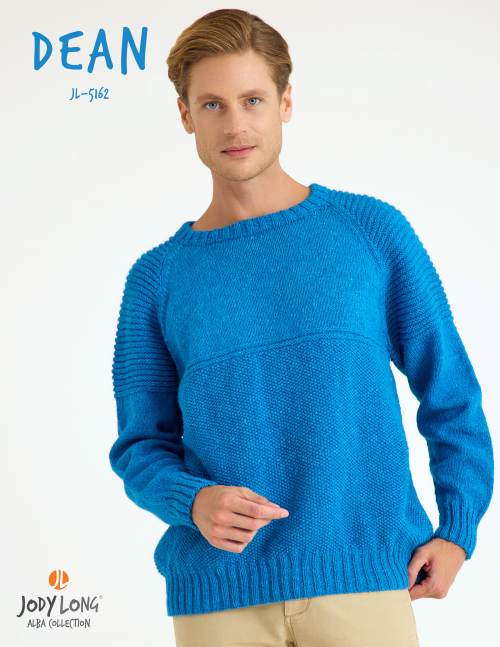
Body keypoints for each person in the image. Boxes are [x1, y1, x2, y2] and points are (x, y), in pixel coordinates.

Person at [108, 8, 494, 646]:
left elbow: (450, 389)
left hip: (364, 580)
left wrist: (458, 529)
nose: (235, 124)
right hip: (218, 596)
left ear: (285, 102)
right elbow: (139, 445)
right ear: (185, 116)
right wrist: (191, 500)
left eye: (252, 99)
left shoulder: (369, 232)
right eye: (212, 105)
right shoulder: (157, 279)